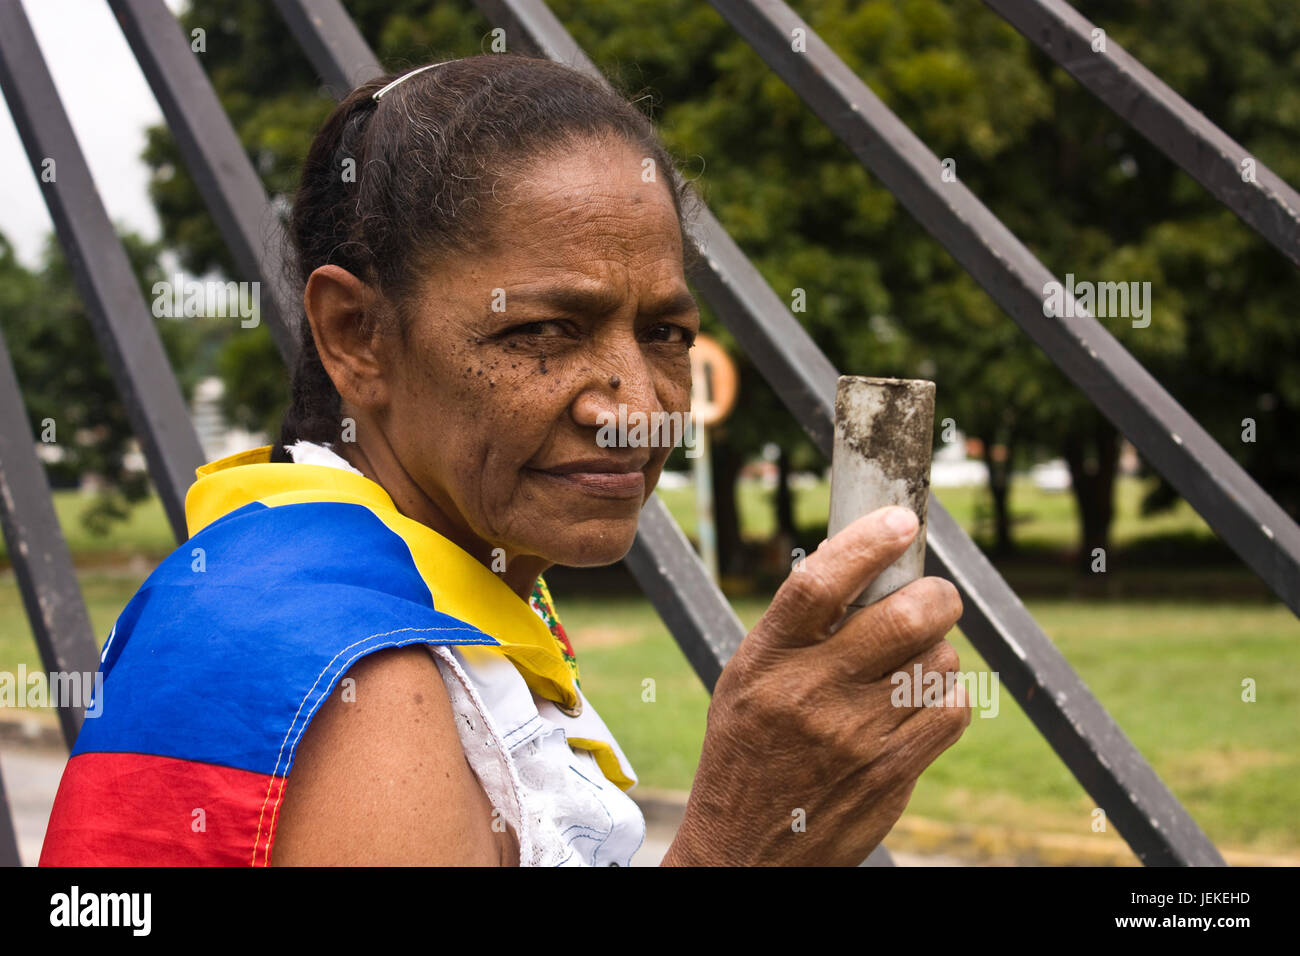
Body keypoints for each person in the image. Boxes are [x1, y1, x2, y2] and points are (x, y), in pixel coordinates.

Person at [39, 53, 968, 867]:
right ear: (355, 334)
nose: (636, 410)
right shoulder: (369, 684)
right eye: (543, 332)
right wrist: (741, 844)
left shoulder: (313, 580)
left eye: (665, 333)